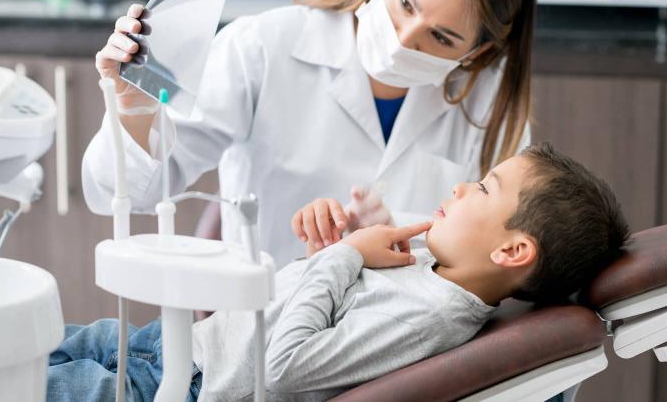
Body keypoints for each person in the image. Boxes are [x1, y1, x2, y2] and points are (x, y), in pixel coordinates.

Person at [82, 0, 540, 268]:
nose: (404, 39)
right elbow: (128, 196)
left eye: (441, 38)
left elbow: (499, 255)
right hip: (271, 330)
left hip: (407, 337)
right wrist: (135, 110)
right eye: (404, 2)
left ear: (478, 53)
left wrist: (403, 234)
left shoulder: (488, 105)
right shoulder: (264, 45)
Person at [48, 143, 631, 401]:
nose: (459, 187)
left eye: (482, 188)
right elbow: (318, 311)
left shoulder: (430, 316)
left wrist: (345, 254)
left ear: (511, 252)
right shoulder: (434, 267)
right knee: (10, 344)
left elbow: (284, 366)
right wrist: (325, 249)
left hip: (182, 387)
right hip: (172, 348)